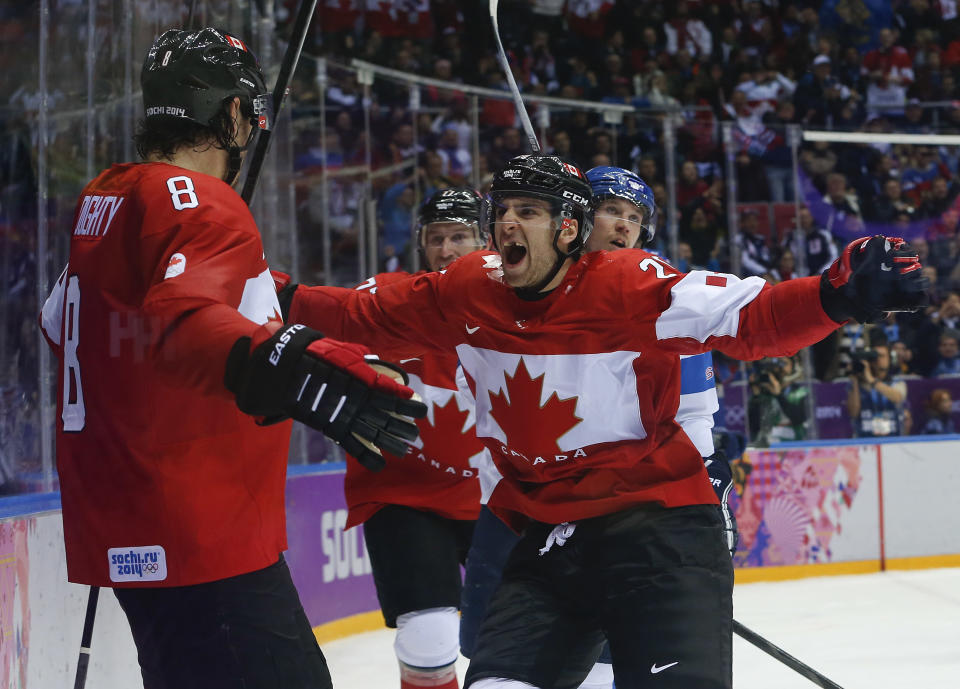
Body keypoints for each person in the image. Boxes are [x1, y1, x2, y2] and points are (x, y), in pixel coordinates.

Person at [282, 154, 927, 689]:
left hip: (657, 531)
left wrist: (836, 295)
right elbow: (360, 313)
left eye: (527, 212)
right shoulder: (469, 288)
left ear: (567, 228)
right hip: (546, 536)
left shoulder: (632, 285)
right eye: (500, 211)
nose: (507, 223)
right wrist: (267, 296)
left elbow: (751, 317)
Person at [38, 28, 425, 689]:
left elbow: (60, 321)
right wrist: (291, 362)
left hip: (128, 522)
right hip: (202, 532)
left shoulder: (105, 196)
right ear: (236, 115)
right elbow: (184, 321)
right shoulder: (207, 203)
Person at [458, 166, 737, 689]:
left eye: (635, 218)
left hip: (631, 521)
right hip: (528, 513)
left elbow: (696, 414)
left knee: (607, 667)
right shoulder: (503, 294)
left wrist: (707, 484)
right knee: (493, 662)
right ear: (576, 219)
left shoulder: (660, 295)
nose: (626, 226)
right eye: (613, 210)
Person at [322, 188, 491, 689]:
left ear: (486, 240)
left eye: (459, 236)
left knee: (521, 637)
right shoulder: (389, 300)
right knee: (429, 637)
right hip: (403, 494)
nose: (446, 250)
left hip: (497, 497)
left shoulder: (517, 305)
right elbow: (333, 339)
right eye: (436, 238)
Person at [847, 344, 908, 438]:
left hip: (893, 439)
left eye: (882, 356)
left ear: (890, 359)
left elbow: (897, 397)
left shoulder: (897, 382)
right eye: (875, 356)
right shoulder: (859, 385)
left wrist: (871, 380)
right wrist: (855, 378)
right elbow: (853, 412)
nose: (878, 360)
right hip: (865, 440)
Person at [747, 356, 810, 446]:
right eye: (775, 363)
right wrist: (756, 396)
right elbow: (753, 427)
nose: (779, 368)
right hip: (767, 448)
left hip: (795, 446)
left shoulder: (801, 392)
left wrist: (779, 395)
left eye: (783, 363)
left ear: (793, 366)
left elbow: (798, 419)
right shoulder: (763, 393)